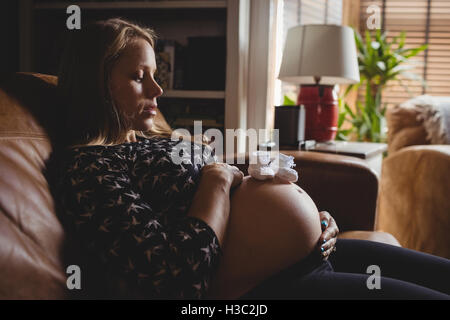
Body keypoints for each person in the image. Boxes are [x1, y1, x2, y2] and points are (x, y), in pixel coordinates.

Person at [45, 18, 450, 300]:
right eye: (139, 77)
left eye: (155, 74)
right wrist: (217, 180)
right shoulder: (87, 167)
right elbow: (176, 274)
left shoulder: (155, 139)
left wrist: (317, 221)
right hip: (271, 289)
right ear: (95, 84)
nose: (157, 89)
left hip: (309, 258)